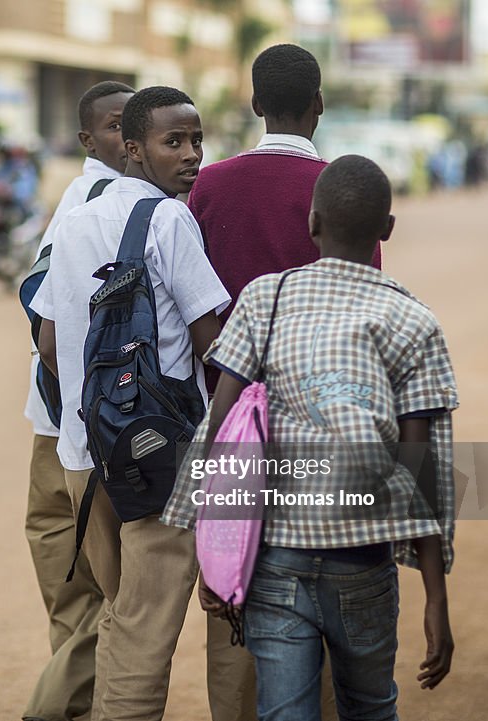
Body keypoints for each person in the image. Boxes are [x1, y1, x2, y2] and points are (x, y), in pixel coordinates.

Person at [166, 154, 458, 721]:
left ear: (312, 225)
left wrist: (211, 547)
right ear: (386, 232)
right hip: (364, 562)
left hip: (275, 559)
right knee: (370, 706)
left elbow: (221, 433)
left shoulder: (264, 299)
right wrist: (437, 600)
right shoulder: (414, 320)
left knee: (283, 711)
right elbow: (424, 466)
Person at [183, 43, 382, 721]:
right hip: (320, 425)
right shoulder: (340, 193)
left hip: (234, 420)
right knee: (324, 581)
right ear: (319, 104)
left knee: (235, 572)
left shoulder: (209, 185)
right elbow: (362, 307)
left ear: (254, 103)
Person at [32, 86, 231, 720]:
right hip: (156, 461)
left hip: (83, 457)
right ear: (134, 148)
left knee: (119, 615)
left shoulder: (78, 221)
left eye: (196, 140)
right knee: (146, 632)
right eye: (175, 142)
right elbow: (211, 345)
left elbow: (47, 340)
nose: (192, 155)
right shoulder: (171, 220)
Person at [22, 80, 134, 721]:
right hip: (83, 429)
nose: (132, 135)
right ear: (90, 139)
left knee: (73, 590)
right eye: (120, 125)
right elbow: (49, 335)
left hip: (54, 422)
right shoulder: (105, 198)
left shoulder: (79, 193)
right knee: (109, 593)